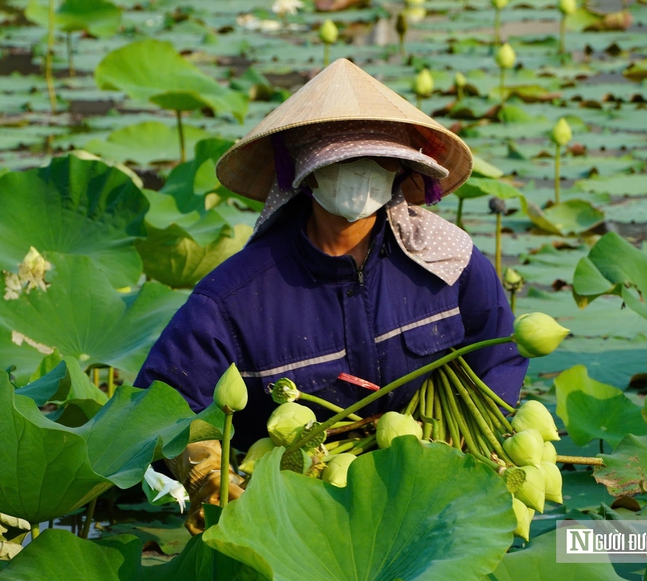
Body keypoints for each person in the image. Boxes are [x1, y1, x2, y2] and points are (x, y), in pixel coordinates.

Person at [135, 59, 527, 533]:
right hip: (295, 515)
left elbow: (498, 351)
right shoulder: (232, 299)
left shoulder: (449, 261)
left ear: (402, 169)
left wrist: (480, 446)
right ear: (303, 170)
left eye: (374, 159)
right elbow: (157, 410)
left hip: (433, 500)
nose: (357, 174)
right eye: (339, 159)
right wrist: (206, 471)